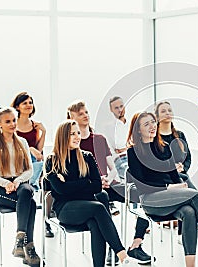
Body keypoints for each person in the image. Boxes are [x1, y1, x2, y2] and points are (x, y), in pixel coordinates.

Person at [127, 112, 198, 267]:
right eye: (146, 124)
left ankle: (190, 265)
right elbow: (142, 184)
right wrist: (170, 187)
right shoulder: (133, 152)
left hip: (169, 198)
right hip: (150, 200)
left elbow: (173, 175)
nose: (152, 126)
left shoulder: (164, 147)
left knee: (189, 212)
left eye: (153, 122)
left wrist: (178, 185)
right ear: (138, 130)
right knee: (192, 195)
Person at [67, 100, 152, 265]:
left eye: (86, 112)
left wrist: (109, 177)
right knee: (101, 197)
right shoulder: (73, 143)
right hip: (91, 189)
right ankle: (112, 249)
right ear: (72, 117)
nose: (85, 115)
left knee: (144, 193)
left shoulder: (99, 139)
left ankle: (137, 243)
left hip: (110, 183)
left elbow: (112, 167)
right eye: (80, 113)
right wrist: (97, 181)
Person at [45, 120, 137, 267]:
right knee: (99, 207)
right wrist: (85, 182)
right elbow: (61, 191)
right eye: (72, 134)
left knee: (96, 222)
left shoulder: (87, 157)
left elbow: (96, 187)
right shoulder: (53, 160)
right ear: (63, 137)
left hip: (86, 206)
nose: (77, 137)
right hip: (65, 209)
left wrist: (70, 184)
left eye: (78, 133)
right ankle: (121, 253)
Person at [0, 107, 40, 267]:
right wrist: (6, 183)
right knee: (32, 204)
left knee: (27, 191)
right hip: (1, 189)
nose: (13, 124)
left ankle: (20, 240)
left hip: (19, 185)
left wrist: (17, 181)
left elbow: (29, 170)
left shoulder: (22, 142)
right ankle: (29, 248)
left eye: (14, 120)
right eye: (8, 121)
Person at [10, 92, 54, 238]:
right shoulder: (12, 125)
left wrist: (44, 132)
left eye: (30, 102)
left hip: (35, 163)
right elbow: (13, 148)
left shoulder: (35, 126)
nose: (29, 105)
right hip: (18, 164)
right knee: (35, 160)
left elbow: (39, 150)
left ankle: (47, 221)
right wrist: (29, 149)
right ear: (17, 106)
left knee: (48, 181)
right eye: (25, 103)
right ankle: (33, 182)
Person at [154, 101, 192, 232]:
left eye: (169, 110)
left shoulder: (180, 135)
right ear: (157, 117)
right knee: (184, 181)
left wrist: (182, 168)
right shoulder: (154, 137)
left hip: (180, 175)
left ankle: (183, 234)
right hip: (162, 180)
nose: (167, 113)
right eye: (163, 111)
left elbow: (188, 158)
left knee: (183, 178)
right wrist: (171, 169)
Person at [107, 96, 129, 178]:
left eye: (121, 106)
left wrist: (124, 148)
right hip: (121, 161)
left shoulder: (132, 124)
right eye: (116, 108)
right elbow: (115, 149)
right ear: (111, 110)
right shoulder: (110, 128)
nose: (120, 110)